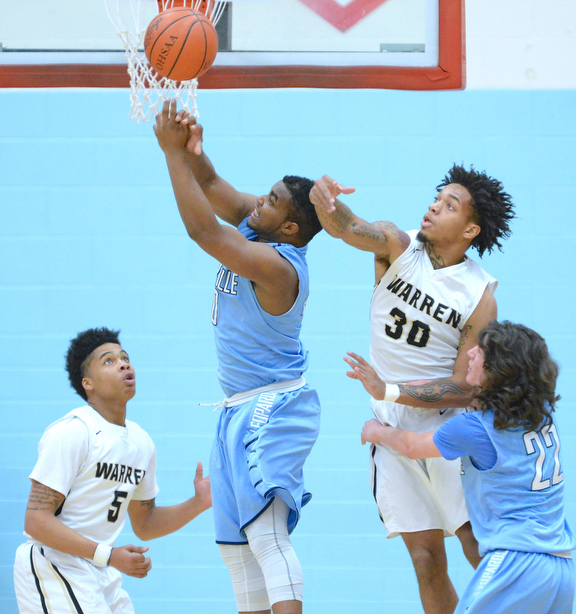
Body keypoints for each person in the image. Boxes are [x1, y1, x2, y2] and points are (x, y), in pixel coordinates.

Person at [309, 166, 515, 614]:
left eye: (449, 205)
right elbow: (346, 226)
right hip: (391, 422)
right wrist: (322, 197)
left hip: (448, 425)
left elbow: (466, 387)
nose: (433, 206)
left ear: (471, 228)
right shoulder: (397, 245)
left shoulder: (479, 294)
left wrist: (392, 389)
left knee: (476, 544)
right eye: (436, 198)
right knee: (424, 559)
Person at [153, 100, 322, 614]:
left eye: (270, 200)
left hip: (274, 408)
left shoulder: (279, 265)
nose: (258, 203)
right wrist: (192, 151)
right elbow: (220, 192)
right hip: (238, 406)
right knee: (234, 549)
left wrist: (170, 157)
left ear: (290, 227)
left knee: (267, 535)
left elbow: (204, 230)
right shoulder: (262, 225)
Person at [360, 320, 576, 613]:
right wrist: (432, 389)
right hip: (561, 567)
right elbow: (484, 399)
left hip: (515, 561)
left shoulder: (473, 429)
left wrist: (377, 431)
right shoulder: (541, 411)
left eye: (481, 351)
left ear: (499, 369)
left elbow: (412, 446)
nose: (470, 352)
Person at [13, 327, 212, 614]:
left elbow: (145, 524)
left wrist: (199, 503)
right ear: (88, 384)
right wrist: (110, 555)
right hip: (54, 562)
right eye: (108, 361)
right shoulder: (73, 432)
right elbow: (35, 521)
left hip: (100, 567)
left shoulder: (141, 442)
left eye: (125, 357)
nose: (123, 363)